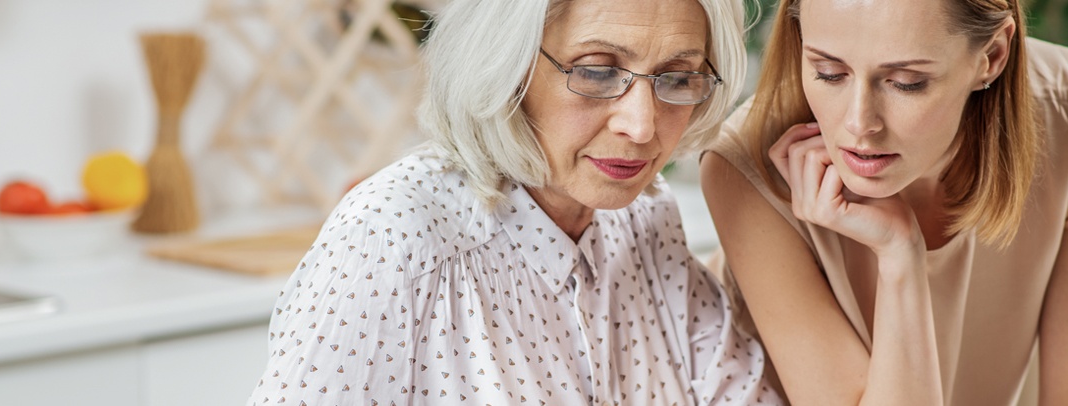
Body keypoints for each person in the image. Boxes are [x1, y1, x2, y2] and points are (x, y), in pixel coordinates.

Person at [247, 0, 783, 405]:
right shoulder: (391, 236)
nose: (641, 126)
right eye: (596, 71)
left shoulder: (648, 216)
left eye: (677, 77)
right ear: (508, 66)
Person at [700, 0, 1068, 404]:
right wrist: (900, 257)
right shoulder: (745, 168)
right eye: (829, 73)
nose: (858, 124)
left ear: (991, 57)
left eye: (905, 83)